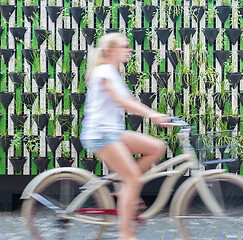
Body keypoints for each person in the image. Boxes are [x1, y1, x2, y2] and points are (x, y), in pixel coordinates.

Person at [80, 33, 169, 240]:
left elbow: (129, 99)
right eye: (124, 46)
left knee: (156, 147)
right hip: (101, 134)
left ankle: (125, 190)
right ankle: (126, 235)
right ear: (111, 50)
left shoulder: (114, 72)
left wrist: (160, 115)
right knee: (133, 180)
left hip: (114, 132)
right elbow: (121, 101)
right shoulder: (103, 71)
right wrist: (152, 115)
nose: (128, 50)